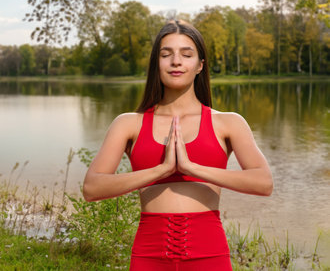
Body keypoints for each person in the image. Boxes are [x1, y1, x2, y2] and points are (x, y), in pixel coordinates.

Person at [82, 20, 273, 271]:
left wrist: (191, 168)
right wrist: (160, 170)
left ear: (199, 65)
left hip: (209, 253)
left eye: (186, 54)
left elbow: (264, 183)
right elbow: (92, 188)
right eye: (166, 54)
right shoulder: (128, 124)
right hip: (148, 255)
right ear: (156, 64)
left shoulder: (228, 123)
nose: (176, 61)